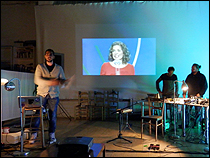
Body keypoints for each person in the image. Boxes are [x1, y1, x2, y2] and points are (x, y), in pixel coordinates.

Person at [29, 49, 70, 144]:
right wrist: (51, 81)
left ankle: (52, 135)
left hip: (54, 95)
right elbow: (37, 80)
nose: (49, 56)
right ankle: (34, 134)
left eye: (51, 55)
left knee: (53, 116)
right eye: (47, 54)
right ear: (44, 56)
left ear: (53, 57)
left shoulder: (58, 68)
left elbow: (62, 80)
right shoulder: (40, 67)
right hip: (41, 94)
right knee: (37, 115)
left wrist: (64, 82)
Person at [183, 63, 208, 128]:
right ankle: (186, 123)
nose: (192, 69)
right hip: (190, 96)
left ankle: (196, 125)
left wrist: (200, 94)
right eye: (191, 68)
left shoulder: (202, 76)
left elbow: (205, 86)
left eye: (193, 68)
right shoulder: (189, 76)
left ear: (197, 69)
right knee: (187, 110)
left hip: (198, 97)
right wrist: (184, 93)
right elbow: (185, 85)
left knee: (198, 111)